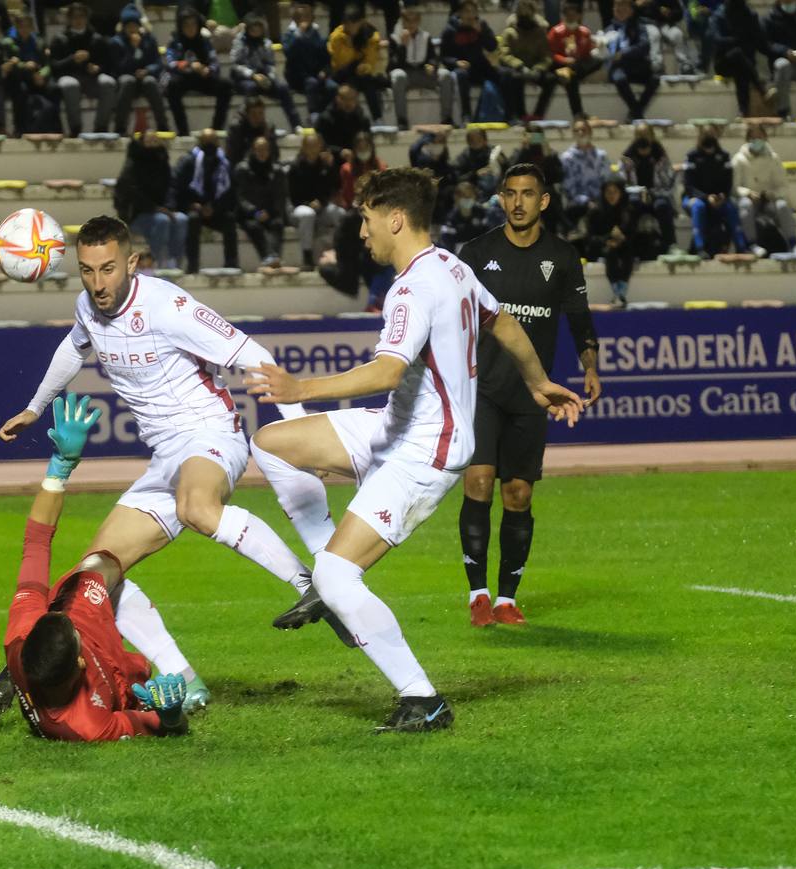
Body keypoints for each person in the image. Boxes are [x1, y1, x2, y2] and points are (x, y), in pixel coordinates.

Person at [244, 167, 584, 729]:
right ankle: (321, 583)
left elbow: (386, 369)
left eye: (366, 219)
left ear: (394, 218)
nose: (362, 232)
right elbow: (503, 324)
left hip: (425, 451)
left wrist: (300, 388)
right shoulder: (453, 265)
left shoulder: (412, 288)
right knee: (272, 443)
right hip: (396, 427)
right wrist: (537, 378)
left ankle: (423, 700)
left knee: (339, 576)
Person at [0, 217, 344, 702]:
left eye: (109, 269)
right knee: (93, 578)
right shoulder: (87, 308)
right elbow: (73, 348)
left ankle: (312, 585)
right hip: (164, 459)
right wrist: (35, 408)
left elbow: (255, 353)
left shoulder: (169, 306)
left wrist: (301, 433)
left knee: (197, 507)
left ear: (132, 263)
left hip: (210, 436)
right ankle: (184, 680)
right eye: (88, 271)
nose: (98, 283)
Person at [0, 394, 195, 740]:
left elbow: (36, 543)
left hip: (75, 624)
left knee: (100, 563)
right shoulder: (89, 726)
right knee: (147, 677)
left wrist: (59, 467)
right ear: (80, 662)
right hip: (120, 679)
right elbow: (160, 728)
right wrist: (169, 716)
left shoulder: (23, 630)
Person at [455, 163, 600, 626]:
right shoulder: (476, 253)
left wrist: (589, 366)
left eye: (527, 194)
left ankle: (507, 599)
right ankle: (478, 595)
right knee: (477, 484)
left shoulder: (561, 256)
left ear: (544, 201)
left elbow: (579, 317)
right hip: (481, 391)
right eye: (510, 193)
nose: (518, 202)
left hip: (532, 397)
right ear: (500, 199)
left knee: (518, 495)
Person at [732, 123, 796, 259]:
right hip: (750, 201)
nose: (757, 141)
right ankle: (752, 245)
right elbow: (734, 187)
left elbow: (783, 186)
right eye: (754, 138)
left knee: (782, 205)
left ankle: (793, 245)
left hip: (768, 201)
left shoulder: (773, 159)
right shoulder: (739, 160)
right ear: (748, 140)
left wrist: (772, 194)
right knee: (745, 205)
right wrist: (748, 193)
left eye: (760, 138)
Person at [114, 131, 188, 270]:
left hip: (162, 211)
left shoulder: (162, 162)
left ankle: (175, 261)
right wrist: (156, 209)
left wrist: (169, 207)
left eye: (156, 141)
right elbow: (131, 194)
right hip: (136, 215)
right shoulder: (133, 165)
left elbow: (171, 188)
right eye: (149, 141)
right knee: (162, 221)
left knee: (182, 219)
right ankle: (157, 261)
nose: (153, 145)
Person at [170, 130, 240, 272]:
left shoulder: (224, 163)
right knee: (193, 220)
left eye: (213, 142)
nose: (210, 146)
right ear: (200, 143)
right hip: (192, 208)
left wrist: (215, 207)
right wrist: (191, 205)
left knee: (229, 220)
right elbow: (177, 188)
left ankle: (231, 263)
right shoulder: (188, 161)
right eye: (207, 143)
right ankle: (193, 265)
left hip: (216, 209)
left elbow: (231, 192)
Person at [49, 3, 117, 135]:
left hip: (92, 78)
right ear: (69, 19)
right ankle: (75, 128)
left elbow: (108, 64)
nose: (78, 20)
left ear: (87, 18)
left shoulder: (97, 39)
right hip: (69, 76)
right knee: (70, 84)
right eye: (74, 17)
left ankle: (101, 127)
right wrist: (72, 59)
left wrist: (98, 68)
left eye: (81, 17)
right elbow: (54, 66)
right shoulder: (59, 39)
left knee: (108, 82)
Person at [163, 8, 233, 134]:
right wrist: (188, 65)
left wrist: (207, 70)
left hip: (202, 78)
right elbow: (170, 63)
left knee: (226, 85)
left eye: (193, 24)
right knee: (172, 86)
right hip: (183, 78)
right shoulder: (175, 41)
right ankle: (183, 131)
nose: (190, 28)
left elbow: (214, 63)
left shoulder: (204, 41)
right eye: (186, 25)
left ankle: (216, 129)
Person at [682, 124, 748, 256]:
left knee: (731, 207)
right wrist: (706, 198)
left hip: (719, 198)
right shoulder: (691, 156)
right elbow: (689, 186)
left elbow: (728, 183)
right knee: (698, 207)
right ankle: (700, 247)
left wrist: (722, 196)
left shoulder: (724, 156)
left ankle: (741, 246)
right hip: (694, 197)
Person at [230, 12, 303, 129]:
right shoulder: (239, 42)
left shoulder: (266, 43)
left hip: (264, 78)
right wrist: (253, 75)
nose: (256, 31)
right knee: (251, 88)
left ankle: (296, 124)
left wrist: (269, 77)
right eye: (253, 28)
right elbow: (236, 64)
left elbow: (270, 64)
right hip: (244, 79)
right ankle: (248, 125)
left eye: (258, 28)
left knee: (283, 88)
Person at [388, 6, 455, 130]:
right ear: (403, 22)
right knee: (398, 76)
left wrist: (432, 65)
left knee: (445, 75)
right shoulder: (394, 38)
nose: (411, 24)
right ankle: (402, 120)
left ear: (418, 21)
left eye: (414, 21)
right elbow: (393, 64)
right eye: (408, 21)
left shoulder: (426, 36)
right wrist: (402, 46)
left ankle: (447, 118)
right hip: (406, 75)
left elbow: (433, 57)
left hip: (423, 74)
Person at [618, 121, 677, 250]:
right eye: (640, 135)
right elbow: (622, 184)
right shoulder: (627, 157)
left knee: (662, 205)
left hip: (658, 195)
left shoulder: (661, 155)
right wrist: (639, 191)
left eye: (646, 134)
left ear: (652, 136)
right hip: (636, 196)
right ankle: (626, 245)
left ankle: (671, 245)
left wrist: (653, 193)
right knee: (632, 204)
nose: (643, 138)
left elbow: (669, 183)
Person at [440, 1, 500, 126]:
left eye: (473, 11)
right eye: (467, 11)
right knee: (460, 75)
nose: (471, 15)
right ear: (460, 13)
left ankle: (511, 115)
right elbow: (444, 57)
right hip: (462, 69)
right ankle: (466, 115)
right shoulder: (450, 30)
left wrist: (481, 32)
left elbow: (492, 46)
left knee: (506, 74)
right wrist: (456, 63)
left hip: (480, 67)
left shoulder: (481, 25)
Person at [496, 0, 558, 123]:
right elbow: (503, 54)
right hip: (517, 70)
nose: (524, 13)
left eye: (527, 10)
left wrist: (539, 68)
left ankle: (538, 114)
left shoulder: (540, 32)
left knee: (552, 79)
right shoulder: (510, 32)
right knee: (514, 78)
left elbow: (547, 56)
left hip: (535, 69)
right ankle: (521, 114)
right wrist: (519, 66)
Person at [289, 132, 344, 268]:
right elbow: (293, 196)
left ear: (321, 147)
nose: (313, 149)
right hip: (299, 208)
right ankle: (307, 256)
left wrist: (332, 166)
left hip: (322, 206)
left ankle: (343, 251)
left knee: (340, 213)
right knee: (308, 214)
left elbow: (334, 187)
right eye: (309, 145)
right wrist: (309, 204)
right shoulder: (295, 167)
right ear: (303, 147)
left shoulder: (325, 166)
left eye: (316, 145)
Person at [708, 0, 772, 117]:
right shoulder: (719, 15)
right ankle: (760, 88)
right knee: (737, 55)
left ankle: (743, 111)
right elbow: (717, 40)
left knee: (741, 69)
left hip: (745, 63)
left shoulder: (750, 15)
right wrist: (738, 41)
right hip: (723, 63)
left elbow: (759, 40)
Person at [111, 6, 169, 134]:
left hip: (144, 76)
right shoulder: (116, 42)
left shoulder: (149, 39)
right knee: (128, 82)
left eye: (134, 26)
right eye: (128, 26)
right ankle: (120, 127)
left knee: (151, 82)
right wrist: (132, 50)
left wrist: (147, 70)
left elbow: (158, 63)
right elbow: (118, 67)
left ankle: (163, 124)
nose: (132, 29)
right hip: (126, 77)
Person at [584, 176, 641, 305]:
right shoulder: (595, 211)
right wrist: (607, 239)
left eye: (615, 192)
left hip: (624, 246)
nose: (611, 196)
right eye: (608, 192)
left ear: (621, 193)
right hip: (601, 247)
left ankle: (621, 291)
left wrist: (622, 239)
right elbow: (590, 238)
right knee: (611, 252)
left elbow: (633, 234)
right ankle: (616, 292)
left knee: (628, 252)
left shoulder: (628, 210)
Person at [327, 5, 389, 123]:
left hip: (360, 74)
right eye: (346, 24)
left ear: (360, 22)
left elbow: (371, 58)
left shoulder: (370, 35)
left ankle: (378, 119)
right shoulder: (337, 36)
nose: (348, 27)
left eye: (352, 24)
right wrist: (349, 45)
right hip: (341, 73)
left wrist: (366, 66)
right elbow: (339, 62)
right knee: (342, 86)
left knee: (368, 83)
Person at [235, 136, 289, 267]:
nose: (262, 153)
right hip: (249, 214)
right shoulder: (243, 169)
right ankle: (268, 257)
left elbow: (280, 196)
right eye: (259, 149)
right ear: (253, 150)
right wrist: (255, 212)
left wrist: (270, 212)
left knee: (277, 224)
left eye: (265, 149)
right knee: (254, 226)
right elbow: (240, 197)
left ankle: (274, 256)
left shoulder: (276, 170)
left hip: (271, 213)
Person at [604, 0, 659, 122]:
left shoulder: (639, 27)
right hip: (618, 67)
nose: (618, 9)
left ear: (631, 10)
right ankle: (637, 113)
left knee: (655, 78)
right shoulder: (609, 29)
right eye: (616, 6)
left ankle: (635, 111)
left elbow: (644, 46)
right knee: (619, 78)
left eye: (622, 5)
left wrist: (623, 53)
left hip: (635, 65)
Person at [547, 0, 603, 118]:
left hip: (578, 65)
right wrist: (564, 60)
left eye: (574, 14)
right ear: (564, 15)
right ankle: (578, 114)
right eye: (568, 14)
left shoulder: (584, 32)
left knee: (598, 61)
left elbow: (587, 55)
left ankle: (572, 74)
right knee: (571, 78)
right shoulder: (555, 32)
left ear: (579, 15)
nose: (571, 17)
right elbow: (550, 54)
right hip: (560, 65)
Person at [283, 1, 336, 122]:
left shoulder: (317, 35)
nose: (305, 20)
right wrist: (299, 33)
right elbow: (288, 52)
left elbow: (326, 59)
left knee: (332, 87)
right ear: (295, 19)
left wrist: (324, 71)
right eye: (301, 17)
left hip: (317, 75)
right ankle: (313, 114)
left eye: (307, 16)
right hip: (297, 77)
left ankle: (324, 112)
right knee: (311, 83)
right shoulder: (289, 35)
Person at [560, 118, 611, 227]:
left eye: (583, 130)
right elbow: (569, 188)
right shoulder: (567, 158)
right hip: (579, 202)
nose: (580, 133)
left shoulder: (601, 156)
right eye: (577, 130)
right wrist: (587, 202)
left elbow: (607, 181)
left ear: (590, 132)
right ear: (573, 134)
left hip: (601, 200)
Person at [635, 0, 698, 74]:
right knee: (655, 34)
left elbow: (679, 13)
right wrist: (636, 5)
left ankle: (684, 63)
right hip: (645, 24)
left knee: (677, 34)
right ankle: (656, 65)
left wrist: (670, 13)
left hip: (664, 24)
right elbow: (628, 10)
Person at [440, 179, 500, 251]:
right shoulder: (450, 219)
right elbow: (447, 241)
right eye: (464, 196)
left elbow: (488, 234)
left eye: (470, 196)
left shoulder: (481, 213)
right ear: (457, 198)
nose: (467, 199)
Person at [315, 83, 371, 156]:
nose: (349, 103)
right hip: (334, 159)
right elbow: (320, 144)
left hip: (357, 159)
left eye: (352, 99)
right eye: (345, 99)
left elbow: (369, 141)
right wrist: (340, 151)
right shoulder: (325, 118)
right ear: (338, 99)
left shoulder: (362, 118)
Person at [225, 94, 279, 165]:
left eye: (261, 113)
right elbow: (232, 156)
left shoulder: (268, 127)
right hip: (242, 167)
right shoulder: (237, 127)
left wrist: (267, 138)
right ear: (247, 114)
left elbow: (275, 155)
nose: (258, 117)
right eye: (253, 114)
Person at [452, 126, 503, 197]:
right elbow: (457, 178)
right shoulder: (464, 156)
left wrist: (501, 163)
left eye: (478, 140)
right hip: (472, 192)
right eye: (472, 140)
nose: (475, 143)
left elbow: (508, 170)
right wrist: (475, 174)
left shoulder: (494, 152)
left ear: (485, 140)